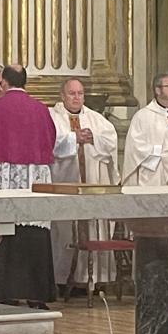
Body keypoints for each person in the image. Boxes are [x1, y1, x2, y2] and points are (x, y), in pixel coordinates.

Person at [0, 65, 58, 306]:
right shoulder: (40, 109)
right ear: (25, 83)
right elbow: (52, 142)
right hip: (34, 181)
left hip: (1, 182)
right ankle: (36, 295)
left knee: (2, 231)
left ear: (4, 83)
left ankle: (2, 293)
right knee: (33, 234)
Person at [49, 77, 120, 292]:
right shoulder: (52, 117)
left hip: (92, 184)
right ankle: (62, 279)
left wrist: (93, 138)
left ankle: (94, 279)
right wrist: (73, 138)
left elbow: (110, 140)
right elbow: (48, 142)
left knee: (93, 226)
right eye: (72, 93)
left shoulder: (96, 119)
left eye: (80, 93)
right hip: (63, 185)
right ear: (62, 96)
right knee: (63, 230)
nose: (77, 97)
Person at [122, 71, 168, 185]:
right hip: (154, 177)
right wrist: (166, 153)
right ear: (158, 90)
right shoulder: (143, 117)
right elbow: (136, 149)